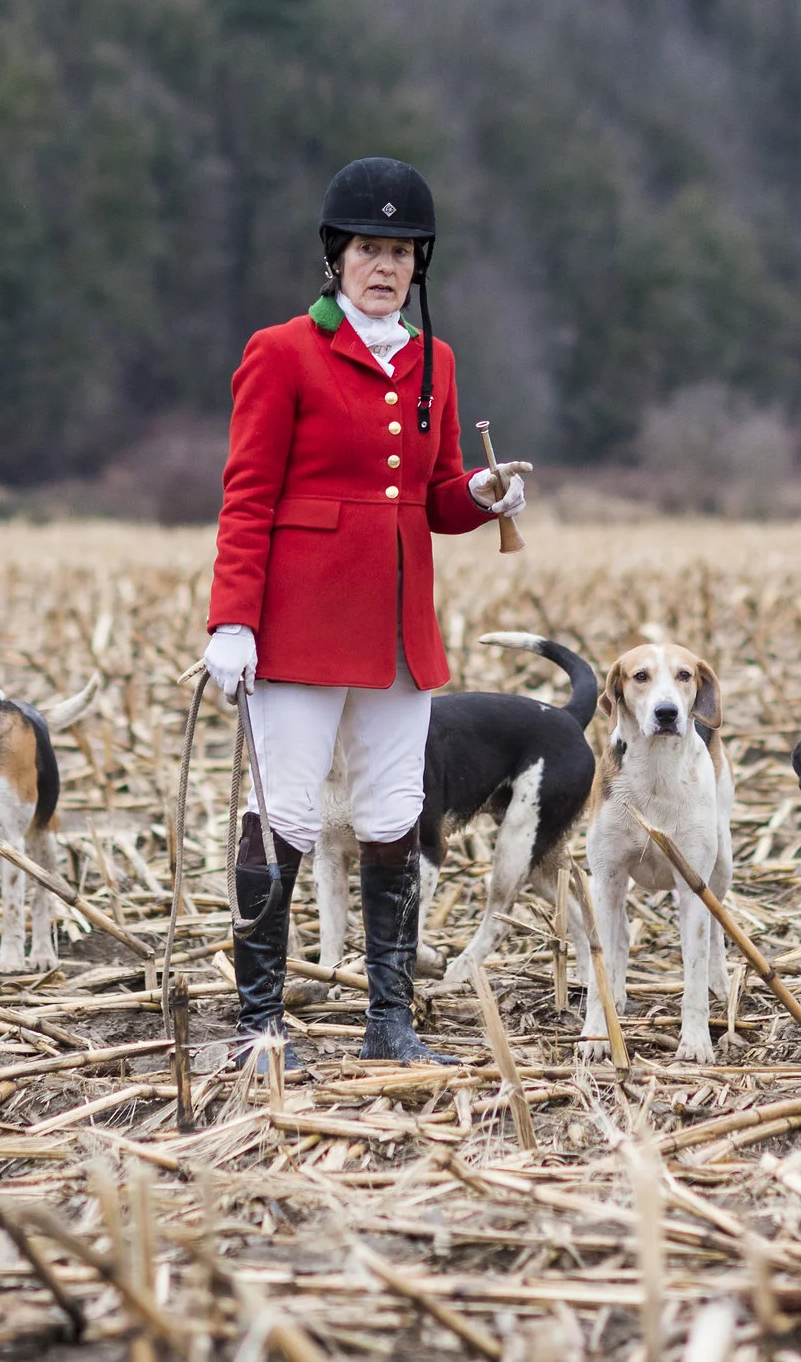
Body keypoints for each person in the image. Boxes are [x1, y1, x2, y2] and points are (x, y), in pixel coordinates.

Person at [202, 157, 530, 1067]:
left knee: (395, 814)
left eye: (398, 251)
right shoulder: (281, 351)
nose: (382, 265)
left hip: (396, 632)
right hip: (299, 626)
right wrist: (232, 619)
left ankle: (391, 1020)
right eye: (367, 248)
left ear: (416, 263)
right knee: (286, 816)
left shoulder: (436, 360)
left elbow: (432, 498)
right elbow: (247, 496)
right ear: (336, 256)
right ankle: (259, 1026)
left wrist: (484, 492)